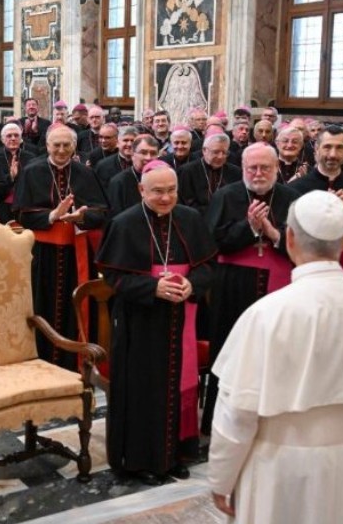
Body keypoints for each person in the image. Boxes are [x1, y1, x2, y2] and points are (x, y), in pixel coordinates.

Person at [207, 191, 343, 523]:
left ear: (288, 238)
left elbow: (236, 415)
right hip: (341, 463)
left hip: (274, 465)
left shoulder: (266, 314)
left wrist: (221, 477)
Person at [97, 161, 215, 485]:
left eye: (171, 190)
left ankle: (176, 453)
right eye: (158, 192)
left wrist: (193, 285)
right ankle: (140, 460)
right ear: (141, 191)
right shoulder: (124, 223)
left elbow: (207, 266)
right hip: (140, 322)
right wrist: (153, 287)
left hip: (182, 318)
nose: (166, 198)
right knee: (143, 389)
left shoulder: (190, 219)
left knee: (180, 384)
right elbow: (113, 276)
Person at [202, 144, 300, 437]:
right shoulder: (225, 196)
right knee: (230, 352)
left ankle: (274, 420)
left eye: (265, 168)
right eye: (252, 168)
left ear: (276, 168)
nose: (258, 174)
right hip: (232, 286)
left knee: (276, 354)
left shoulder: (292, 198)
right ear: (243, 168)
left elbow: (303, 245)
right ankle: (220, 419)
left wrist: (271, 233)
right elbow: (211, 242)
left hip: (279, 288)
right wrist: (249, 227)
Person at [14, 125, 109, 370]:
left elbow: (102, 212)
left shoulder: (85, 174)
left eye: (67, 145)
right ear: (47, 146)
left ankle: (73, 364)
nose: (61, 150)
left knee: (73, 308)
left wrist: (81, 218)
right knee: (40, 306)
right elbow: (21, 215)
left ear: (74, 147)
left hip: (76, 255)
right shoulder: (32, 171)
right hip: (41, 256)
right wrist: (52, 215)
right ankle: (38, 362)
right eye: (56, 145)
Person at [289, 126, 343, 279]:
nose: (333, 154)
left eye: (339, 148)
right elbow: (290, 238)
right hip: (306, 270)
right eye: (327, 147)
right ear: (317, 149)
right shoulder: (296, 188)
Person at [178, 132, 241, 218]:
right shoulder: (187, 171)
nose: (220, 156)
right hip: (196, 219)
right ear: (204, 150)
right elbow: (185, 202)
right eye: (216, 152)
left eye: (224, 152)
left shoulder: (235, 172)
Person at [107, 135, 159, 217]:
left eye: (153, 153)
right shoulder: (118, 182)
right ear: (132, 154)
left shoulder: (164, 178)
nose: (148, 157)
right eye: (143, 152)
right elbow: (116, 218)